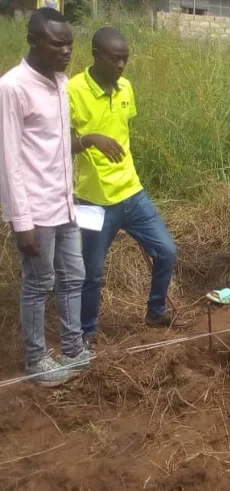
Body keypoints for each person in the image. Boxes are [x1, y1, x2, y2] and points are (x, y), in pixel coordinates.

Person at [68, 28, 183, 348]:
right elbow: (57, 144)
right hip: (91, 200)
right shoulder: (73, 90)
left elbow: (122, 130)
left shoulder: (126, 89)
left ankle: (155, 311)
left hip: (131, 192)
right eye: (114, 58)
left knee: (166, 250)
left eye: (125, 59)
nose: (121, 65)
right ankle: (87, 331)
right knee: (91, 271)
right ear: (95, 54)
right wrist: (89, 140)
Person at [0, 8, 89, 386]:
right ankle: (37, 359)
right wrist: (22, 222)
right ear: (34, 41)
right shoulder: (12, 87)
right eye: (57, 43)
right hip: (35, 211)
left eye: (69, 43)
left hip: (65, 203)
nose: (66, 50)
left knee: (74, 277)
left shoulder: (60, 81)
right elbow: (8, 159)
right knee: (39, 284)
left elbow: (56, 147)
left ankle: (73, 346)